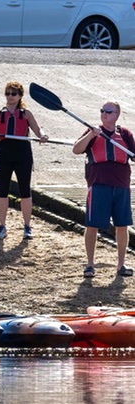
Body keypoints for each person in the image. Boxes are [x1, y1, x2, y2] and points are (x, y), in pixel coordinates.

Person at [72, 101, 135, 278]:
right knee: (92, 225)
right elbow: (76, 149)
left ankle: (121, 265)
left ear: (117, 115)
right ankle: (90, 265)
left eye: (108, 111)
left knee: (122, 226)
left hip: (121, 185)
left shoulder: (124, 134)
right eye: (102, 111)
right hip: (99, 184)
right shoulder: (93, 131)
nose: (104, 114)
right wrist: (91, 135)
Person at [0, 81, 47, 240]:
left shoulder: (26, 113)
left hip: (22, 153)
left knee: (25, 190)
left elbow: (38, 130)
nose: (10, 97)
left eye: (13, 94)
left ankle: (27, 226)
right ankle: (2, 226)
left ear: (20, 96)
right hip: (4, 153)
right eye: (7, 94)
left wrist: (43, 136)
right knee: (2, 189)